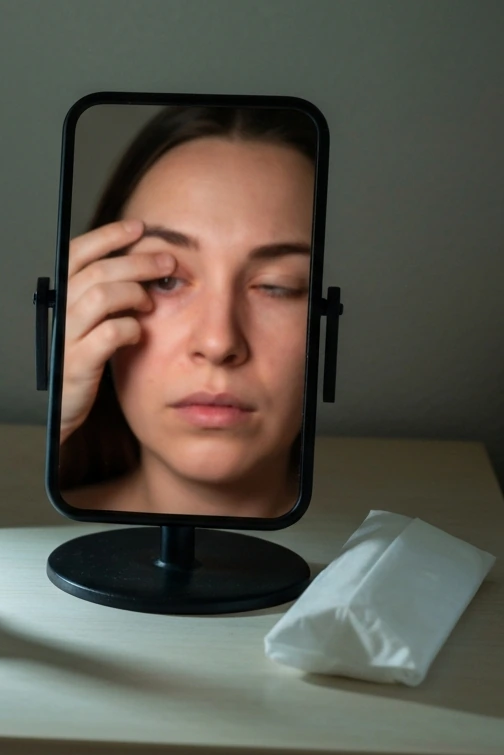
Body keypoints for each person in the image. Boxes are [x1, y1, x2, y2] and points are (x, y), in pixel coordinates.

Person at [59, 105, 317, 518]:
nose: (217, 343)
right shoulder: (14, 533)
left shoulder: (387, 546)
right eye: (165, 280)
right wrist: (53, 422)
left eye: (276, 286)